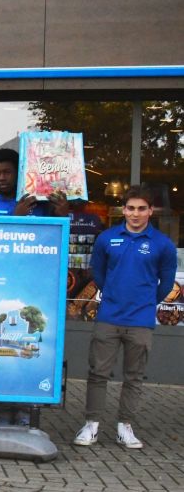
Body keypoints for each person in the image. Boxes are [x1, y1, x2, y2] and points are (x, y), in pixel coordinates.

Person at [73, 186, 176, 450]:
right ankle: (92, 425)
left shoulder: (162, 244)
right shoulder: (107, 239)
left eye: (142, 208)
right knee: (98, 373)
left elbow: (166, 283)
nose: (135, 214)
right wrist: (114, 294)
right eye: (131, 208)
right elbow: (99, 272)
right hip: (109, 316)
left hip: (140, 321)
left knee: (134, 377)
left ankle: (125, 427)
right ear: (124, 210)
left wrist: (146, 300)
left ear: (151, 211)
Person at [0, 148, 67, 425]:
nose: (1, 178)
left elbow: (56, 247)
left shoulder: (43, 207)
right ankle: (2, 413)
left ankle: (28, 414)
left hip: (37, 293)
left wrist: (62, 216)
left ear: (20, 173)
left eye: (7, 172)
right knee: (3, 355)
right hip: (0, 292)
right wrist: (15, 219)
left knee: (29, 354)